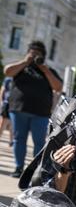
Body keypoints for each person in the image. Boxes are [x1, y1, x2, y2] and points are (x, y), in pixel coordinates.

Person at [3, 41, 63, 178]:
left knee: (39, 142)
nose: (35, 55)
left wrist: (45, 69)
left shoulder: (48, 70)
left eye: (38, 53)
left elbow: (58, 87)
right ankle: (19, 168)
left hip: (40, 113)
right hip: (19, 110)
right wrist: (25, 61)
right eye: (32, 52)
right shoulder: (21, 67)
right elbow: (7, 71)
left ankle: (36, 171)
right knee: (19, 139)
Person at [0, 77, 13, 146]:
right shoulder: (9, 79)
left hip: (17, 105)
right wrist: (2, 102)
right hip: (7, 103)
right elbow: (2, 90)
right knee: (3, 123)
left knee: (12, 124)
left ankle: (11, 141)